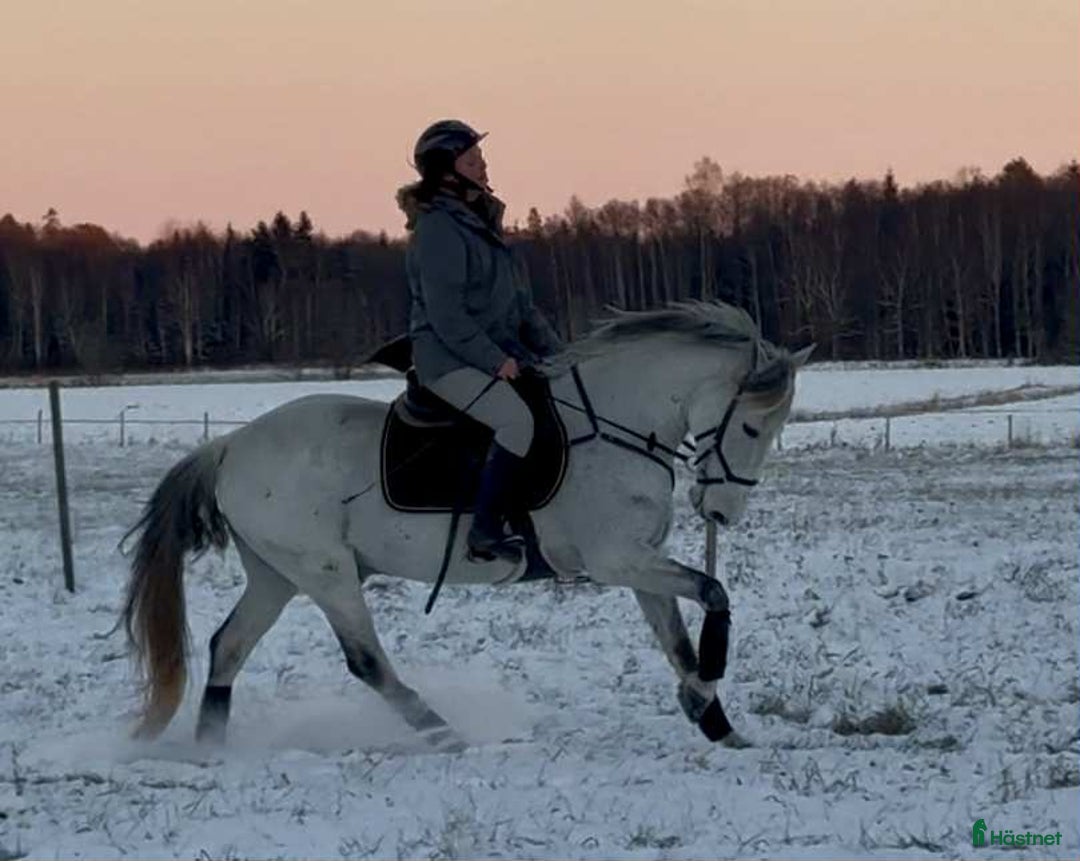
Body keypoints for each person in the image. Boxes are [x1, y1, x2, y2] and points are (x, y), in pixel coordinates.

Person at [397, 119, 563, 564]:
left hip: (496, 354)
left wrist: (565, 358)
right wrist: (496, 361)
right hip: (448, 361)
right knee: (515, 423)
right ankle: (485, 531)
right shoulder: (437, 230)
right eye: (472, 158)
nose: (484, 164)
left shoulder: (483, 225)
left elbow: (523, 308)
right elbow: (447, 316)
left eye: (481, 156)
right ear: (446, 171)